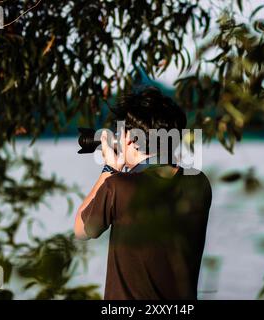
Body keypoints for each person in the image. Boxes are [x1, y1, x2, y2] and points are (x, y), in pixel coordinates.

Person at [74, 87, 212, 300]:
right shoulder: (199, 183)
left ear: (130, 139)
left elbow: (82, 230)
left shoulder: (118, 187)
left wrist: (109, 170)